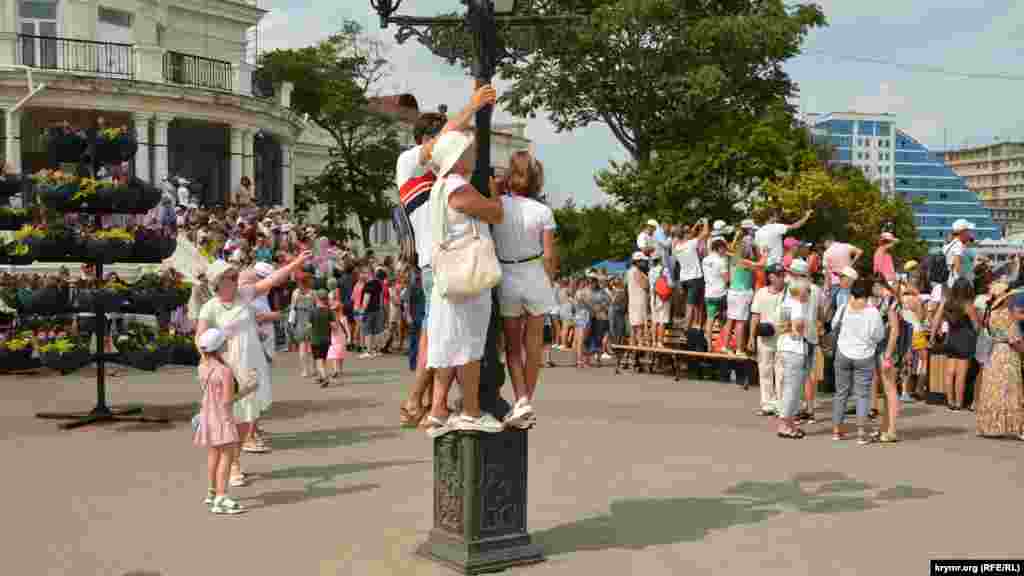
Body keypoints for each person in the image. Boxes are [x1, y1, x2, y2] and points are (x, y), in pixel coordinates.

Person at [195, 251, 311, 487]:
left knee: (248, 417)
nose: (235, 281)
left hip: (252, 363)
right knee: (231, 418)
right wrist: (208, 363)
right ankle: (234, 465)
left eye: (235, 276)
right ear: (219, 283)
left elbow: (272, 280)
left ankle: (236, 459)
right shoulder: (210, 308)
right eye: (230, 278)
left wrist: (295, 263)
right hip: (228, 366)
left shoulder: (244, 294)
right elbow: (200, 339)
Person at [422, 130, 505, 437]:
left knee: (446, 343)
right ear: (457, 157)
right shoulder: (458, 186)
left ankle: (438, 410)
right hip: (468, 276)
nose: (473, 154)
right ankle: (471, 410)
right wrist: (494, 191)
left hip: (448, 276)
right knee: (469, 345)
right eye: (468, 150)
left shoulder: (438, 188)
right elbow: (496, 214)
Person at [491, 149, 554, 428]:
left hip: (507, 273)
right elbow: (549, 255)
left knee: (513, 347)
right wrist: (548, 281)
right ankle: (527, 399)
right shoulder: (543, 211)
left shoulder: (498, 204)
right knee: (535, 345)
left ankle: (521, 399)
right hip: (534, 272)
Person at [193, 328, 257, 515]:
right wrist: (250, 388)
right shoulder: (224, 371)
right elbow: (228, 400)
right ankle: (222, 497)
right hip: (222, 419)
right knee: (227, 458)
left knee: (213, 455)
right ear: (220, 346)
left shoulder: (202, 366)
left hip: (207, 416)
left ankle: (212, 492)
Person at [831, 278, 885, 444]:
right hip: (864, 355)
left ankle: (836, 430)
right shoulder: (873, 312)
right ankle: (861, 433)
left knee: (841, 393)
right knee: (862, 395)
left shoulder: (843, 308)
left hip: (843, 353)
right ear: (868, 293)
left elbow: (833, 326)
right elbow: (879, 335)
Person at [975, 285, 1024, 439]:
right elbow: (1014, 339)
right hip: (1007, 354)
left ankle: (991, 426)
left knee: (993, 389)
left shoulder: (991, 314)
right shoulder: (1006, 315)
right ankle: (1016, 427)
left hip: (994, 352)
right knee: (1010, 389)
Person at [931, 278, 980, 410]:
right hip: (966, 341)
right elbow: (976, 327)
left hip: (951, 339)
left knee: (950, 372)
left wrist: (932, 336)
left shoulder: (947, 303)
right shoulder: (968, 305)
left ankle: (950, 402)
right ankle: (959, 403)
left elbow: (936, 319)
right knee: (961, 375)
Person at [722, 220, 763, 357]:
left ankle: (725, 346)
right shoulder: (744, 260)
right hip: (742, 293)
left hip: (733, 291)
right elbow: (761, 265)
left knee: (730, 320)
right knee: (740, 322)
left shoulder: (734, 254)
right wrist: (764, 253)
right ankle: (739, 349)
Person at [749, 264, 786, 416]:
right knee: (764, 371)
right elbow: (755, 315)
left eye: (783, 275)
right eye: (779, 275)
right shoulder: (761, 293)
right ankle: (767, 404)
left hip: (782, 338)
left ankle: (781, 404)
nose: (783, 278)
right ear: (771, 277)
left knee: (781, 372)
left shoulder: (787, 293)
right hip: (764, 338)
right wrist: (751, 337)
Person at [776, 273, 810, 439]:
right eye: (807, 291)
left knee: (789, 387)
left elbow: (782, 325)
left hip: (784, 346)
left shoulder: (786, 303)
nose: (809, 294)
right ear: (799, 292)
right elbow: (797, 325)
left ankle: (789, 422)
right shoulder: (797, 305)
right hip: (794, 348)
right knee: (792, 388)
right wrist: (802, 330)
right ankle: (784, 424)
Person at [676, 219, 708, 331]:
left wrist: (695, 226)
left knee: (689, 304)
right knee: (692, 306)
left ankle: (689, 326)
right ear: (686, 235)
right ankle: (685, 330)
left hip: (684, 279)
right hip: (694, 278)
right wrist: (705, 222)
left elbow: (688, 236)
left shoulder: (676, 247)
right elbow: (705, 233)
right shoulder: (691, 243)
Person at [702, 235, 730, 343]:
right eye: (724, 249)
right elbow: (727, 279)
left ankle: (708, 344)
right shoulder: (721, 261)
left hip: (709, 293)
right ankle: (723, 343)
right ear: (719, 248)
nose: (725, 251)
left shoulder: (705, 260)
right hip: (720, 293)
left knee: (710, 319)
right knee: (724, 319)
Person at [289, 275, 316, 377]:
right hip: (311, 322)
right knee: (313, 347)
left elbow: (292, 309)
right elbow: (316, 307)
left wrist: (291, 322)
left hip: (300, 321)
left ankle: (305, 370)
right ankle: (314, 369)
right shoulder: (313, 293)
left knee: (302, 347)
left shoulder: (295, 293)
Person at [309, 289, 334, 387]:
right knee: (323, 358)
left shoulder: (312, 311)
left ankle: (324, 377)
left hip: (315, 339)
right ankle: (320, 376)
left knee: (318, 360)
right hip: (327, 339)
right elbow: (334, 326)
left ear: (317, 299)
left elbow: (309, 326)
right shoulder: (329, 311)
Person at [626, 252, 649, 345]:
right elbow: (645, 286)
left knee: (633, 326)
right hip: (639, 301)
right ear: (638, 261)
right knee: (639, 325)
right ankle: (639, 345)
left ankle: (633, 347)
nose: (644, 263)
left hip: (633, 300)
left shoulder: (630, 271)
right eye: (643, 261)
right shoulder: (636, 271)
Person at [945, 219, 976, 287]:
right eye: (969, 231)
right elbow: (957, 266)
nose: (970, 234)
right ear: (963, 232)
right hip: (959, 283)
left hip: (951, 279)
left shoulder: (951, 244)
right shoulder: (958, 245)